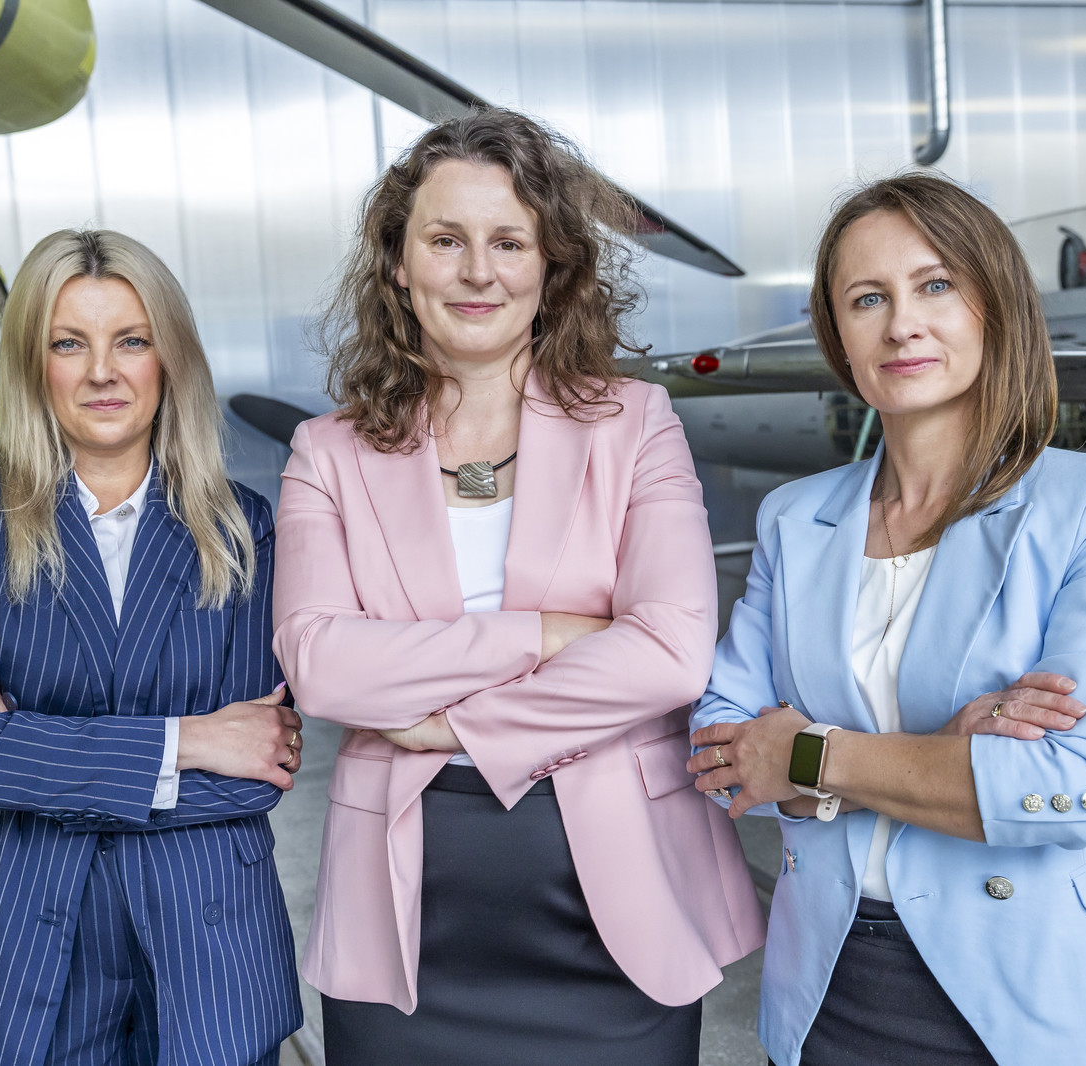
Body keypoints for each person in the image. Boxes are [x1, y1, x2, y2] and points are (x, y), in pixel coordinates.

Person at [688, 173, 1086, 1066]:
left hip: (1053, 985)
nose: (902, 324)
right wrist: (940, 755)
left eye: (936, 285)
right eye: (868, 298)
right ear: (839, 333)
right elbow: (722, 751)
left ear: (994, 305)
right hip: (833, 983)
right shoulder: (795, 517)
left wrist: (812, 756)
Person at [273, 108, 765, 1066]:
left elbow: (670, 654)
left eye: (508, 241)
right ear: (398, 264)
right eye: (445, 241)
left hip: (616, 914)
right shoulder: (326, 452)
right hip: (404, 922)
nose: (478, 272)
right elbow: (322, 664)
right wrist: (544, 634)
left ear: (552, 264)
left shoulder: (637, 424)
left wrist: (455, 725)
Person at [0, 229, 305, 1066]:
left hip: (205, 932)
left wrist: (19, 746)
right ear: (32, 364)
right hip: (25, 931)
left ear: (171, 358)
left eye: (132, 341)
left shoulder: (242, 526)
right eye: (69, 344)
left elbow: (252, 771)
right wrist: (185, 740)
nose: (102, 372)